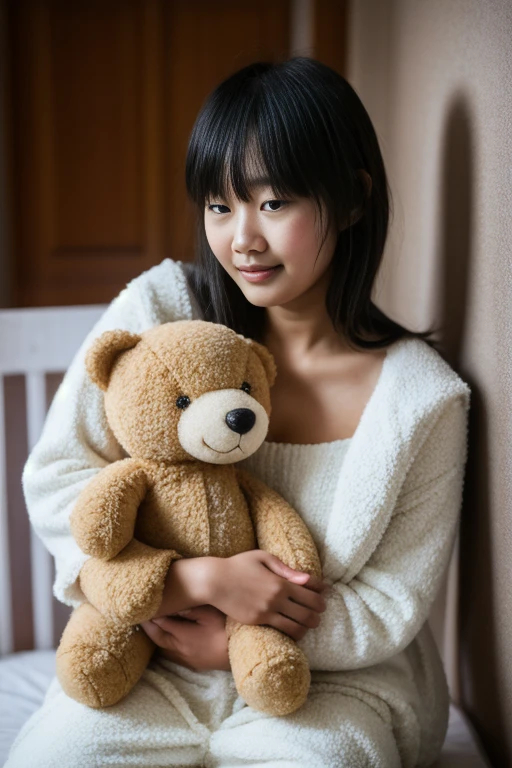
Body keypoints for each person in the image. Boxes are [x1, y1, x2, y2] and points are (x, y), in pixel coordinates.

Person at [6, 58, 470, 767]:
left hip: (327, 683)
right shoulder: (160, 312)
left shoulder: (421, 400)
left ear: (350, 200)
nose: (242, 239)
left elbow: (390, 603)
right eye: (220, 206)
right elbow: (60, 477)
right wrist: (188, 584)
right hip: (149, 652)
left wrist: (235, 643)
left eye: (274, 203)